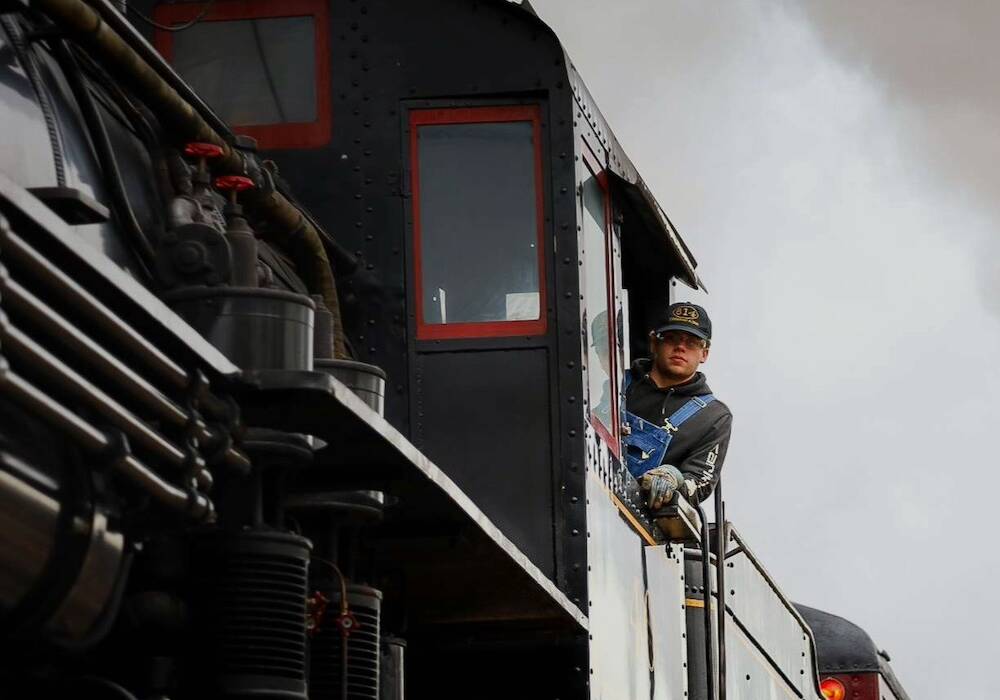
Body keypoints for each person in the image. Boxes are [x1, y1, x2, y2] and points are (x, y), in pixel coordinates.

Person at [622, 302, 732, 510]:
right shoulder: (616, 382)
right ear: (654, 343)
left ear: (704, 354)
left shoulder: (713, 416)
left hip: (641, 523)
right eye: (672, 338)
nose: (681, 347)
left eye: (692, 342)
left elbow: (701, 481)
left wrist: (676, 479)